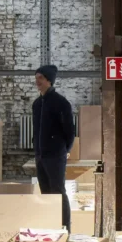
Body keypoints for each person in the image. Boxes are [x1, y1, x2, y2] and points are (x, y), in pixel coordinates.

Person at [32, 64, 74, 231]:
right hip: (41, 155)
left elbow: (70, 131)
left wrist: (65, 150)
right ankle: (51, 225)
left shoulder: (61, 103)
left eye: (40, 78)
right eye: (36, 78)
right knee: (46, 192)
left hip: (55, 155)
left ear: (49, 80)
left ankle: (65, 227)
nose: (37, 82)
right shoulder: (36, 104)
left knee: (58, 192)